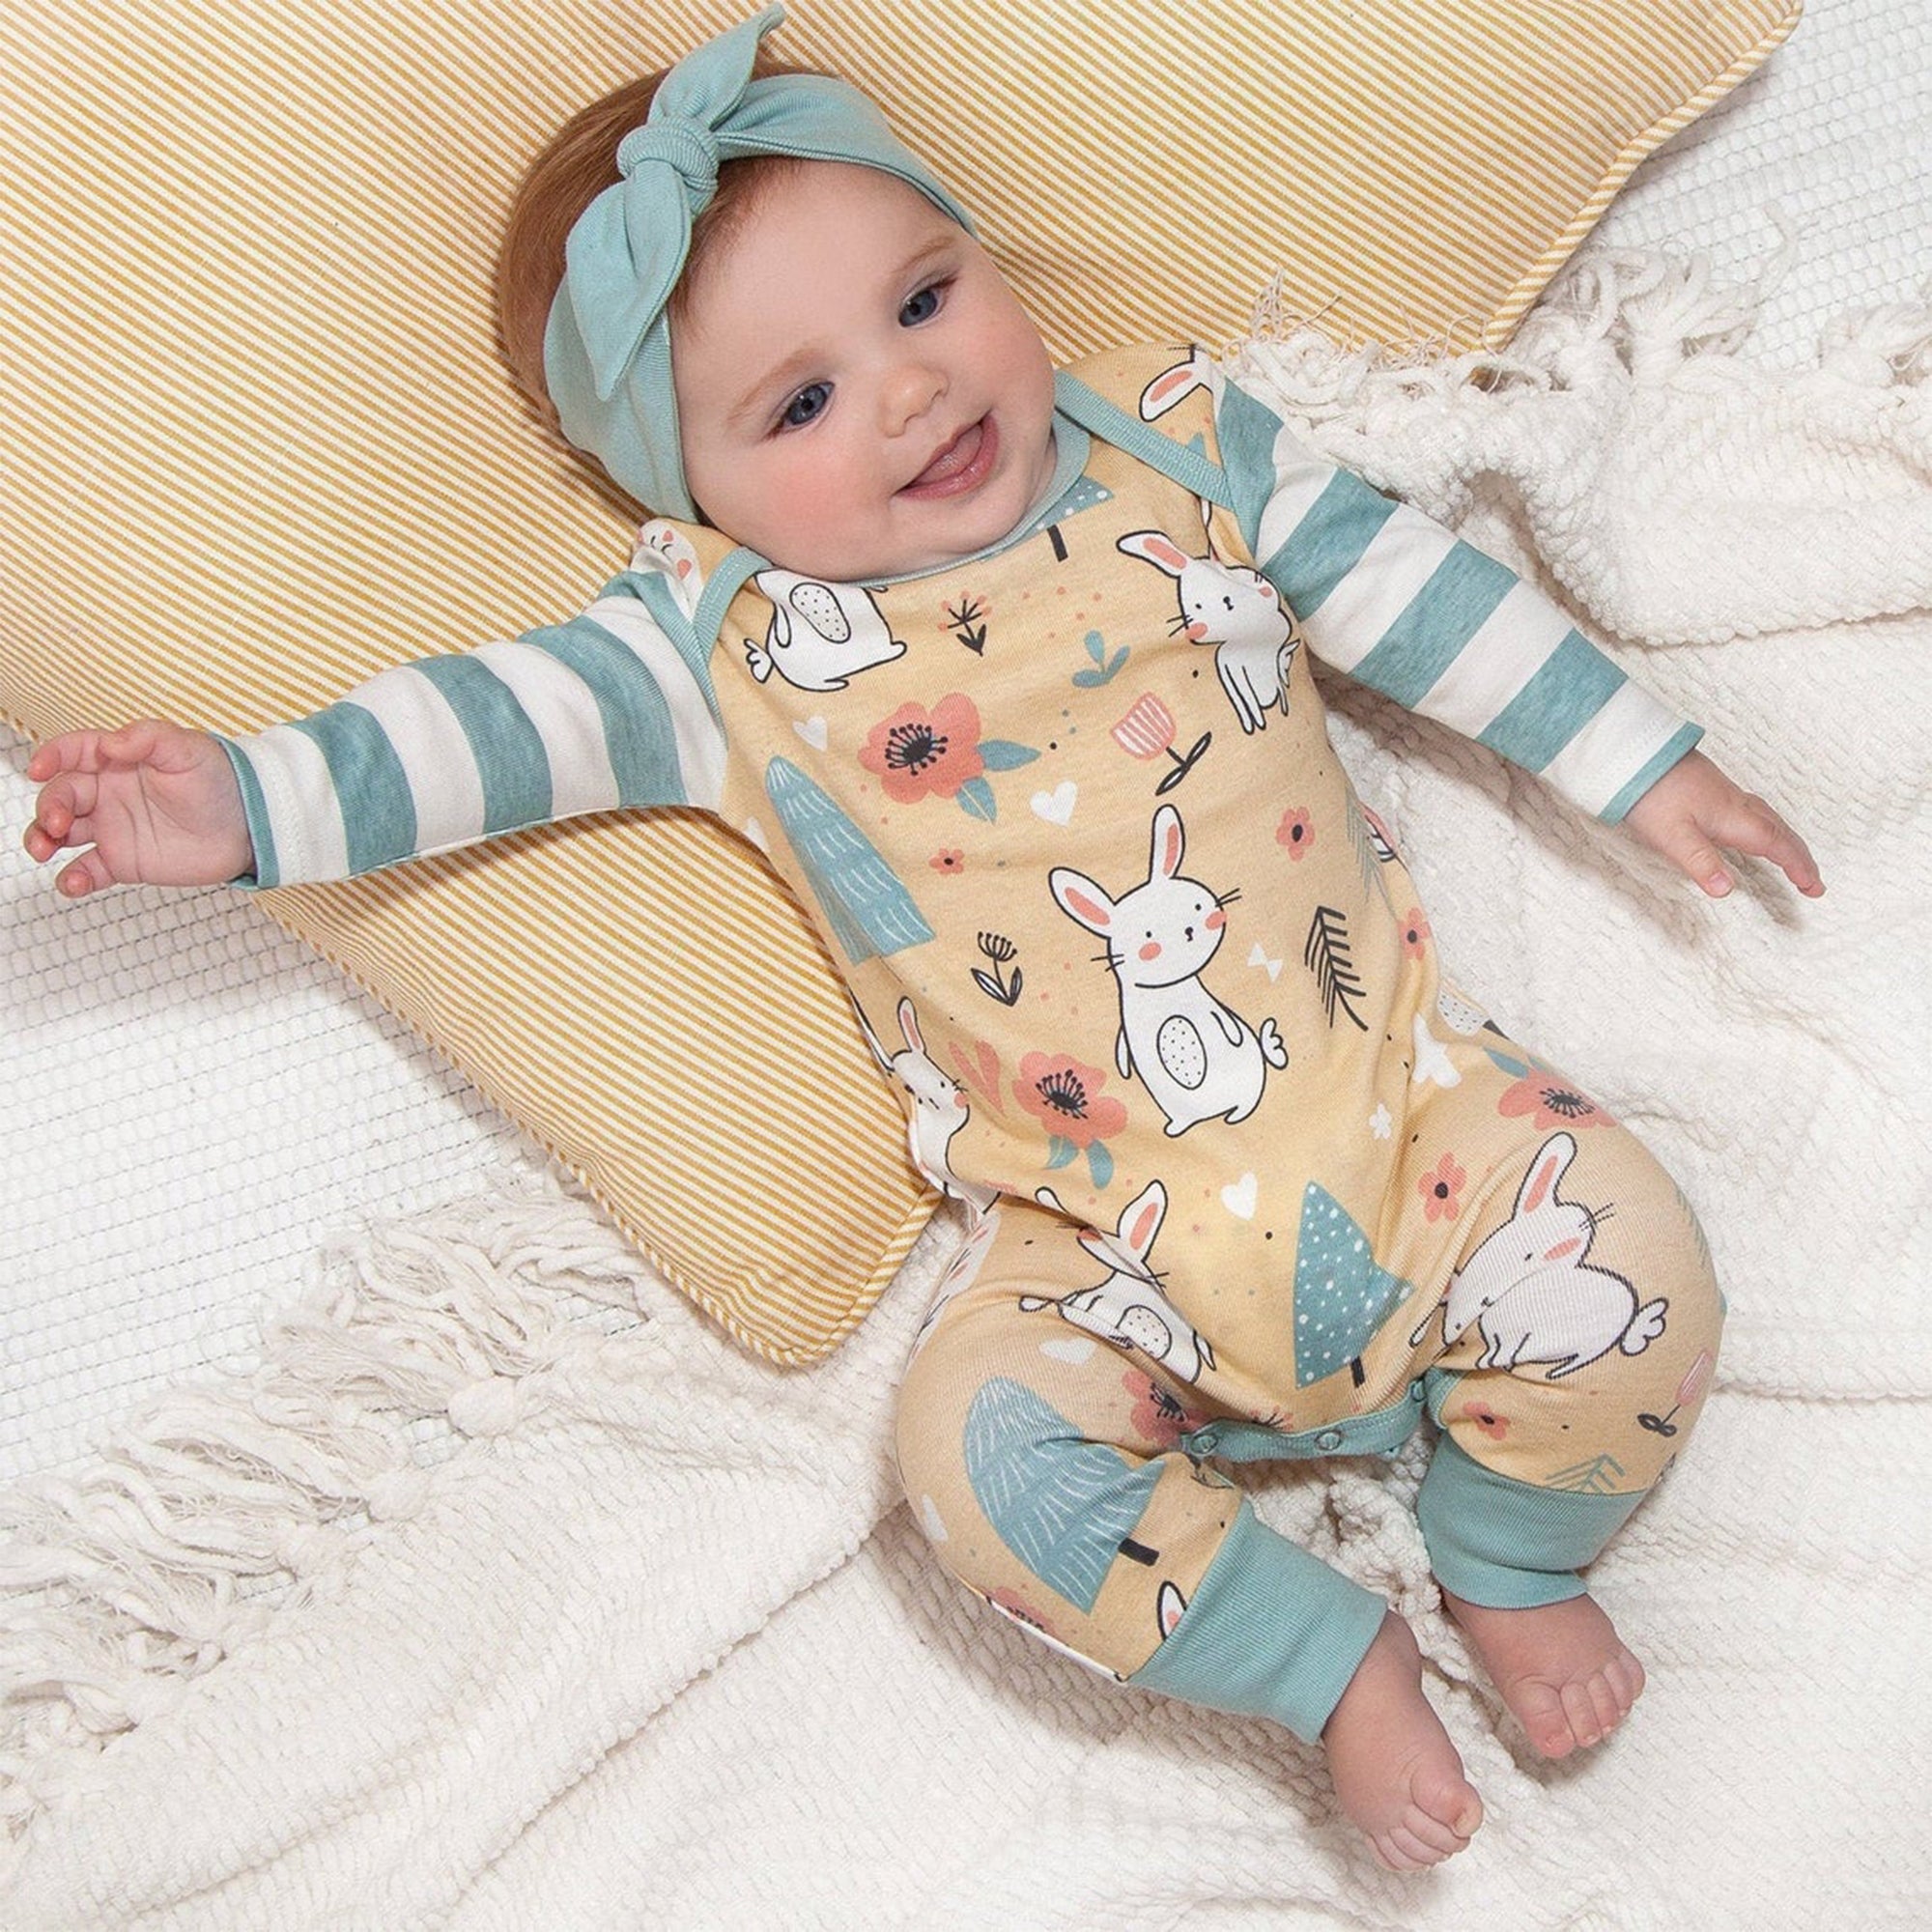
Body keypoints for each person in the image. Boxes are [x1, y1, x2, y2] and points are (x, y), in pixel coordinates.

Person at [21, 6, 1822, 1873]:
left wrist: (1640, 763)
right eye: (797, 405)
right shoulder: (713, 651)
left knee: (1639, 1257)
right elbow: (469, 738)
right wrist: (250, 805)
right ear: (689, 486)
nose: (906, 393)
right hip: (1093, 1249)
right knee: (972, 1461)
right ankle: (1323, 1659)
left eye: (925, 299)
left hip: (1415, 1116)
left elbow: (1416, 595)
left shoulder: (1185, 454)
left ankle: (1511, 1555)